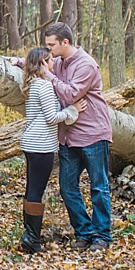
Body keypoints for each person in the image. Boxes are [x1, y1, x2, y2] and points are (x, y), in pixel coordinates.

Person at [22, 22, 114, 251]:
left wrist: (48, 76)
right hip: (68, 137)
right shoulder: (59, 63)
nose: (49, 50)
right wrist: (21, 62)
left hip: (92, 133)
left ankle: (102, 235)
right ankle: (84, 232)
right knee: (67, 187)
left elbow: (72, 93)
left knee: (99, 186)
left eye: (51, 45)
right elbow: (43, 66)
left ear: (65, 42)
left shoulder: (86, 65)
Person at [17, 46, 77, 254]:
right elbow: (52, 117)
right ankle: (32, 238)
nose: (53, 64)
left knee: (31, 189)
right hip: (41, 144)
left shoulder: (33, 84)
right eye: (50, 61)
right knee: (36, 190)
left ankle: (30, 235)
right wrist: (71, 111)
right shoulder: (43, 86)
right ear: (41, 64)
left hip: (32, 143)